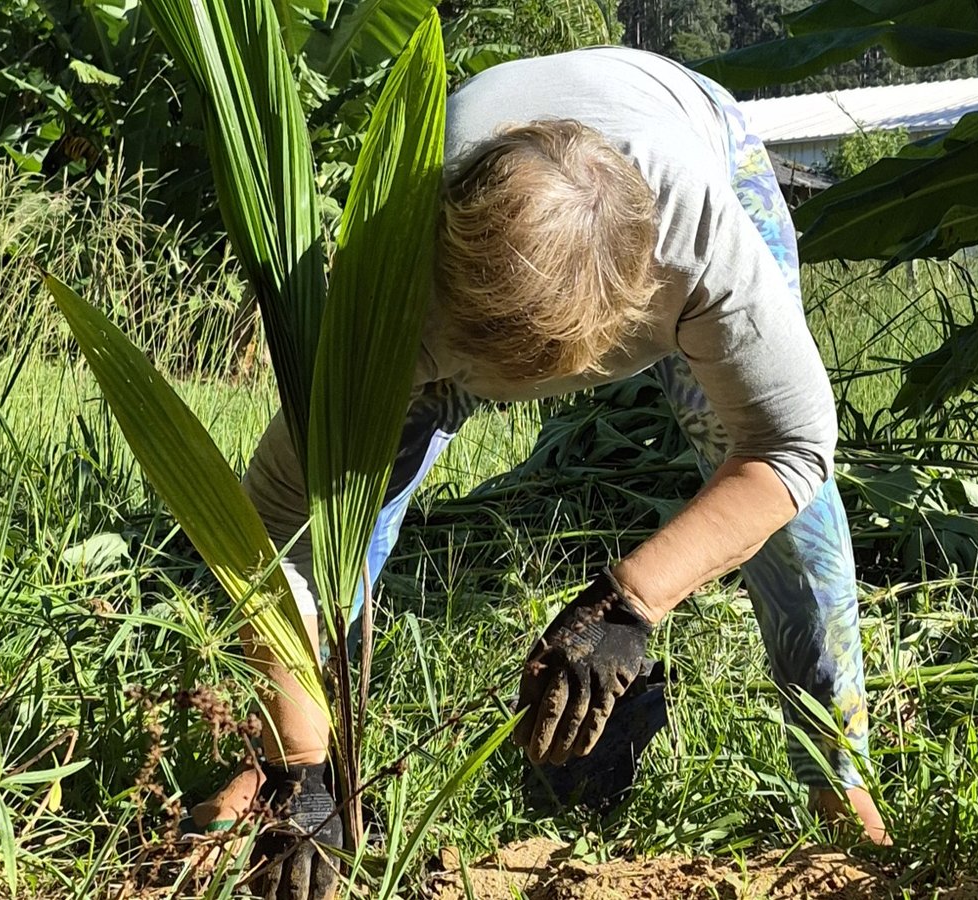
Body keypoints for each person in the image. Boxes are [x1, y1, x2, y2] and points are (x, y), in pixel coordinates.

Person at [191, 45, 888, 900]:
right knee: (344, 519)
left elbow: (791, 450)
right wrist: (300, 762)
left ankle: (836, 782)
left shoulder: (701, 237)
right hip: (451, 293)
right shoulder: (394, 291)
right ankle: (294, 770)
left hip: (685, 122)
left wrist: (630, 601)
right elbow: (279, 525)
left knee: (791, 518)